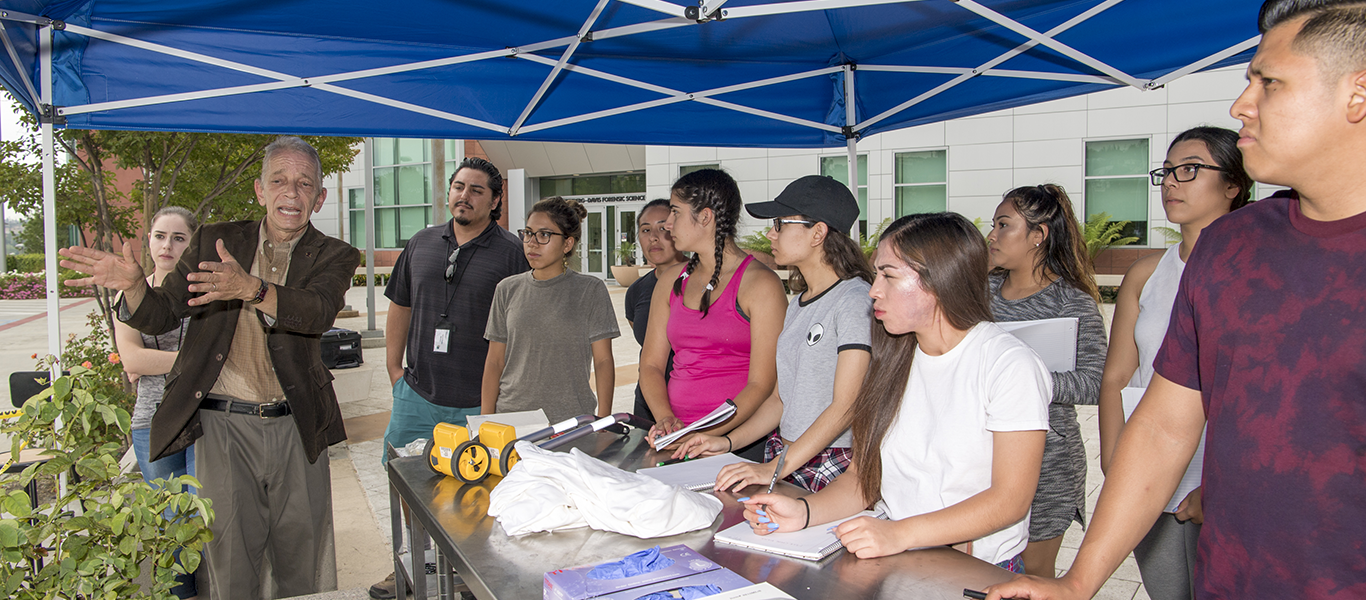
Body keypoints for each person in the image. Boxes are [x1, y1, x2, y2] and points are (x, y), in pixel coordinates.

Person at [987, 1, 1366, 598]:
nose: (1242, 105)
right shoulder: (1231, 248)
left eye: (1269, 83)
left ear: (1357, 93)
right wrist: (1078, 581)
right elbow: (1164, 423)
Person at [60, 136, 359, 600]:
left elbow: (317, 311)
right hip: (222, 425)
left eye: (305, 184)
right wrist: (136, 287)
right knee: (228, 563)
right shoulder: (216, 240)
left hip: (297, 425)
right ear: (260, 191)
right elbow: (162, 313)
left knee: (303, 562)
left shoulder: (336, 254)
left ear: (319, 197)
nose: (291, 194)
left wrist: (253, 289)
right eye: (278, 181)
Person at [737, 212, 1050, 572]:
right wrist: (804, 512)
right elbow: (861, 478)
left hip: (974, 571)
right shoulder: (895, 356)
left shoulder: (1007, 364)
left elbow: (1009, 499)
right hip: (901, 559)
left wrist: (900, 533)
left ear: (939, 279)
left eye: (888, 275)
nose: (873, 290)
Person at [1096, 127, 1252, 600]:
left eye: (1189, 170)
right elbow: (1117, 376)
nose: (1170, 183)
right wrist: (1114, 460)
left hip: (1223, 474)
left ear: (1233, 185)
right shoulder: (1147, 273)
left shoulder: (1252, 271)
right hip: (1150, 469)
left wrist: (1221, 483)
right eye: (1165, 172)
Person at [371, 156, 529, 599]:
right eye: (459, 186)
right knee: (404, 475)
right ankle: (416, 561)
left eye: (477, 189)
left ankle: (468, 568)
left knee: (475, 487)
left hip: (480, 400)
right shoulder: (420, 243)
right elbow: (400, 305)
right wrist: (393, 369)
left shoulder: (511, 254)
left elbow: (521, 325)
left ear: (495, 200)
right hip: (418, 391)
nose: (465, 195)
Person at [673, 175, 873, 493]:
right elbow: (780, 400)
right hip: (788, 457)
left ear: (818, 232)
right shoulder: (799, 305)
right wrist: (725, 442)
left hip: (833, 464)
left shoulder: (854, 300)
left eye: (780, 224)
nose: (770, 234)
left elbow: (846, 406)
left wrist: (776, 467)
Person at [985, 184, 1107, 578]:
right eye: (994, 225)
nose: (992, 235)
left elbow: (1095, 382)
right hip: (981, 451)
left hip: (1049, 461)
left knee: (1033, 577)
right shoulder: (980, 292)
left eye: (1005, 225)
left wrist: (1024, 378)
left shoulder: (1072, 302)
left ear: (1038, 235)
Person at [638, 168, 788, 451]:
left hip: (738, 441)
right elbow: (651, 365)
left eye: (675, 212)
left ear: (705, 216)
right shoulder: (672, 279)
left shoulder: (761, 284)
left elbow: (762, 384)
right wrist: (666, 419)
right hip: (678, 437)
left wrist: (703, 434)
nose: (668, 224)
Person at [112, 205, 199, 599]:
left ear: (191, 244)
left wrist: (155, 364)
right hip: (152, 423)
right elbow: (131, 358)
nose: (167, 245)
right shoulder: (129, 294)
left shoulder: (203, 294)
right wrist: (194, 362)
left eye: (179, 238)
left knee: (204, 517)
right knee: (172, 523)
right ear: (148, 240)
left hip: (204, 419)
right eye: (160, 236)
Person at [482, 196, 619, 421]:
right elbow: (494, 361)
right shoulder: (506, 289)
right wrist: (484, 422)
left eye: (544, 235)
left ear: (567, 244)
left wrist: (604, 420)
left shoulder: (591, 290)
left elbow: (603, 361)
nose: (532, 243)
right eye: (528, 233)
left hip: (571, 420)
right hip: (511, 418)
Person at [623, 198, 687, 423]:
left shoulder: (704, 282)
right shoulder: (636, 291)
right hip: (649, 407)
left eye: (662, 228)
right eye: (646, 230)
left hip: (694, 407)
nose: (654, 237)